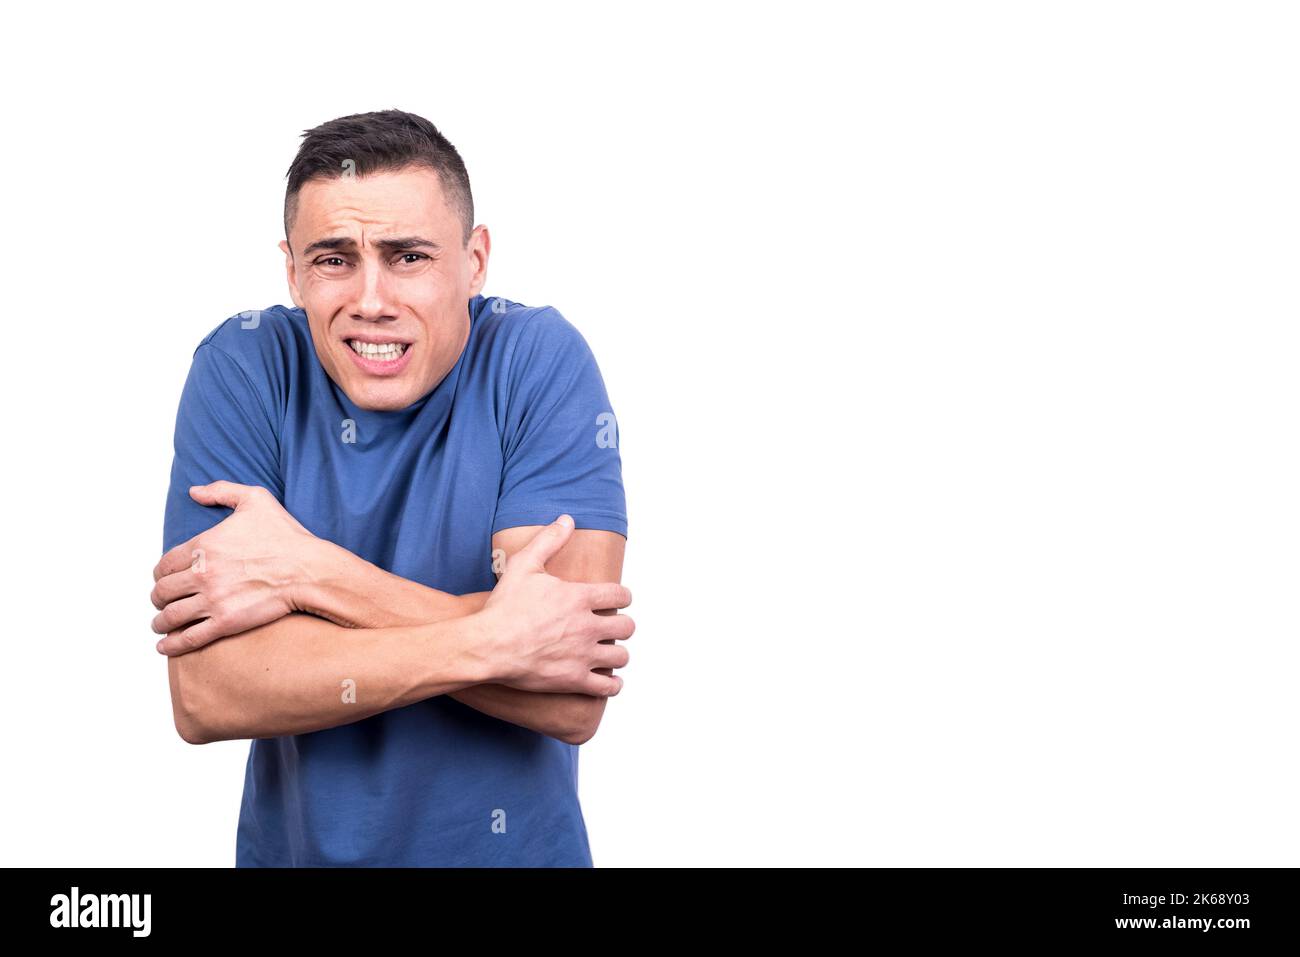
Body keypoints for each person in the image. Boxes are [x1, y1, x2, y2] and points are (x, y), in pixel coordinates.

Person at [149, 109, 633, 867]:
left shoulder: (539, 361)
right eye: (334, 259)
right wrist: (492, 638)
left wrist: (311, 573)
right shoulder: (244, 366)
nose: (371, 299)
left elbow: (569, 695)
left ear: (475, 261)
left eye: (408, 256)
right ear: (291, 269)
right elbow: (207, 694)